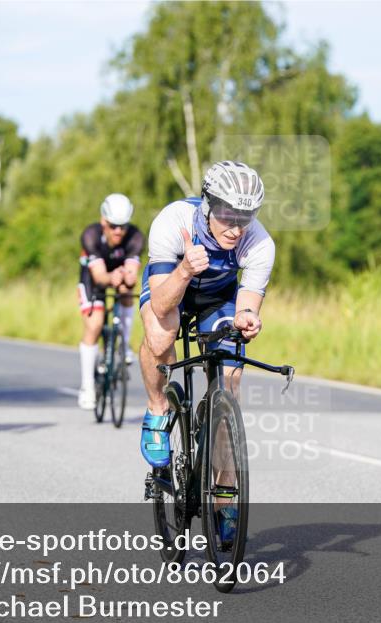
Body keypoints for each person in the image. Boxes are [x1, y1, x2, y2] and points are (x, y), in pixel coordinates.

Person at [139, 161, 274, 543]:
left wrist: (249, 318)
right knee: (162, 336)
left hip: (218, 299)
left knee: (229, 384)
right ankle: (156, 410)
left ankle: (225, 489)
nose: (236, 228)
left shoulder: (259, 242)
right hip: (172, 289)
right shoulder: (173, 221)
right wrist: (184, 269)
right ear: (208, 204)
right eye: (228, 217)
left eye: (245, 218)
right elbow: (163, 305)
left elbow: (247, 302)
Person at [76, 193, 145, 410]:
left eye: (123, 226)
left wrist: (129, 276)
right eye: (114, 226)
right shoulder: (91, 236)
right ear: (103, 222)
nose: (118, 231)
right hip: (93, 280)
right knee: (95, 324)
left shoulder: (135, 237)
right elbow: (99, 277)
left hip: (117, 275)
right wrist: (112, 278)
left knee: (127, 289)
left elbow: (132, 274)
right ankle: (87, 387)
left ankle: (123, 345)